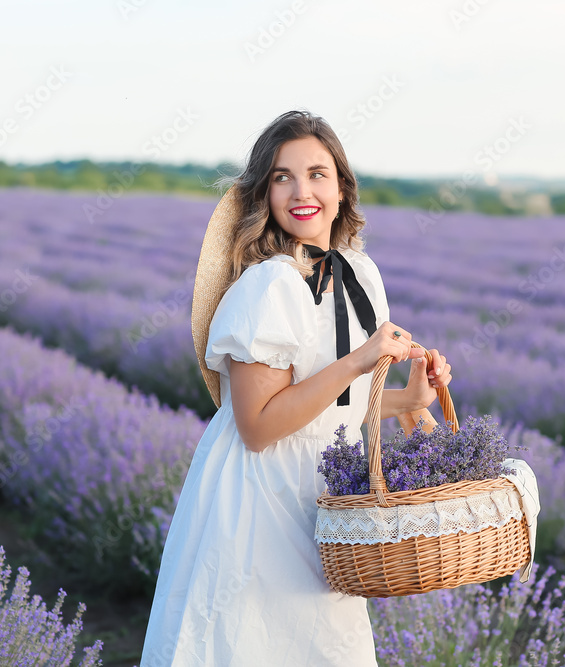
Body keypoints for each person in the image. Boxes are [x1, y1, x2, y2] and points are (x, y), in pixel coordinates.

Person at [138, 109, 453, 666]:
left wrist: (410, 399)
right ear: (264, 193)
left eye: (317, 174)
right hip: (263, 497)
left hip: (326, 497)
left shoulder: (361, 273)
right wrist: (359, 360)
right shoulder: (268, 286)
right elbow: (258, 427)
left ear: (341, 188)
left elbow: (336, 411)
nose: (301, 191)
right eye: (282, 176)